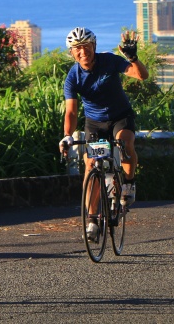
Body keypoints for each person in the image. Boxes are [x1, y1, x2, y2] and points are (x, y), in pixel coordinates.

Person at [59, 27, 149, 242]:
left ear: (94, 47)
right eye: (77, 49)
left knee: (124, 143)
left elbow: (141, 76)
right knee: (91, 164)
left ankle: (129, 182)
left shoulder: (109, 61)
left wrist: (133, 58)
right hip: (95, 123)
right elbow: (71, 111)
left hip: (120, 116)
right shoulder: (73, 76)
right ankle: (92, 220)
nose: (82, 52)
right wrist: (67, 135)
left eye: (86, 47)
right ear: (71, 52)